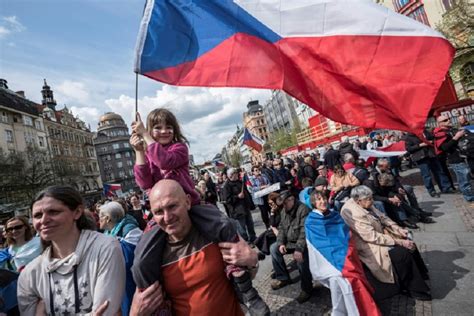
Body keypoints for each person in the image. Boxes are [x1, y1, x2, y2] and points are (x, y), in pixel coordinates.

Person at [130, 109, 268, 314]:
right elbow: (143, 182)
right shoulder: (150, 152)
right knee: (141, 260)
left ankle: (244, 286)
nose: (164, 131)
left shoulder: (179, 148)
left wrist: (147, 136)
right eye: (157, 128)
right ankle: (158, 306)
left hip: (193, 207)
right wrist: (139, 151)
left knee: (224, 226)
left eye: (169, 127)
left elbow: (164, 161)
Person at [129, 180, 261, 316]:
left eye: (172, 206)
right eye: (158, 212)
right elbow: (145, 305)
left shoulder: (216, 234)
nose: (167, 217)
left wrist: (252, 262)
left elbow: (246, 275)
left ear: (187, 202)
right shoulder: (152, 258)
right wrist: (134, 314)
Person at [17, 185, 125, 315]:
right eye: (38, 215)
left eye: (53, 212)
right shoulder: (30, 274)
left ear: (77, 212)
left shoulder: (105, 247)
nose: (44, 220)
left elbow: (106, 312)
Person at [341, 186, 431, 302]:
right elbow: (370, 237)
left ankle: (421, 274)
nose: (372, 201)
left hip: (379, 235)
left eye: (371, 198)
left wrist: (398, 229)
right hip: (367, 244)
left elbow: (382, 217)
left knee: (409, 241)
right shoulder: (353, 212)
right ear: (359, 201)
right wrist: (399, 242)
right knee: (401, 254)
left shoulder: (366, 202)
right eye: (369, 199)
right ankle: (413, 289)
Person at [305, 190, 380, 316]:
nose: (322, 201)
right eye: (318, 200)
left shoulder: (335, 215)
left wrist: (346, 252)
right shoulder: (311, 221)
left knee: (349, 279)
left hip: (345, 254)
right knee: (339, 280)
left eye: (323, 198)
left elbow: (346, 235)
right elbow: (318, 244)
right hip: (328, 262)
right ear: (313, 203)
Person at [99, 201, 143, 316]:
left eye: (100, 217)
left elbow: (125, 260)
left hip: (131, 285)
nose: (98, 220)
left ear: (108, 218)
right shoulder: (107, 232)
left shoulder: (130, 230)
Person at [270, 190, 313, 304]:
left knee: (301, 260)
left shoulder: (303, 210)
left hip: (304, 243)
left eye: (285, 203)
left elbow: (304, 233)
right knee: (274, 248)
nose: (283, 206)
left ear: (291, 200)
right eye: (282, 204)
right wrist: (281, 243)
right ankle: (283, 278)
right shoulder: (285, 210)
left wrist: (299, 249)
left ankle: (307, 289)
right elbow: (282, 228)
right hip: (290, 241)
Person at [434, 115, 474, 202]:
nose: (448, 120)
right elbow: (444, 148)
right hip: (456, 160)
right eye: (445, 120)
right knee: (464, 180)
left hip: (466, 157)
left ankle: (470, 195)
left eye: (449, 119)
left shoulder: (452, 129)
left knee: (468, 178)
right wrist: (456, 137)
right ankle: (469, 198)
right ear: (440, 124)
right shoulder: (440, 133)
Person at [404, 132, 452, 197]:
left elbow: (434, 139)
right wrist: (420, 145)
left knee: (439, 171)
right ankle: (431, 191)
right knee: (426, 175)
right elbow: (409, 149)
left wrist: (431, 141)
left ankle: (445, 188)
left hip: (431, 154)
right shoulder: (409, 136)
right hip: (421, 157)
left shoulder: (426, 132)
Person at [223, 168, 257, 243]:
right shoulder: (226, 186)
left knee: (250, 224)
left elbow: (247, 193)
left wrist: (251, 204)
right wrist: (237, 196)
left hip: (245, 207)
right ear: (231, 175)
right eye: (235, 173)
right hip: (237, 210)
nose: (237, 174)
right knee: (242, 228)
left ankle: (253, 238)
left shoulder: (240, 182)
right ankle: (245, 241)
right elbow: (227, 200)